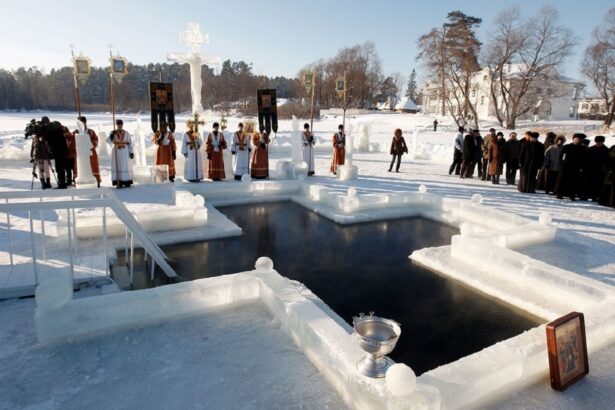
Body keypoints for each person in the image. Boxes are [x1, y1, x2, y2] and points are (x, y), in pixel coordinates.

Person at [554, 133, 587, 201]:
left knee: (573, 182)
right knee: (562, 180)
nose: (576, 141)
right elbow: (561, 156)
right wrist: (561, 164)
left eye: (578, 140)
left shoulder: (583, 149)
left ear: (580, 140)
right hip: (565, 166)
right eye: (575, 139)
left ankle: (572, 195)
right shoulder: (567, 147)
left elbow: (584, 160)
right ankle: (560, 194)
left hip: (576, 168)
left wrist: (581, 168)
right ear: (573, 139)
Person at [74, 116, 101, 188]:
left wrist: (89, 145)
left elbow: (95, 140)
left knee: (92, 166)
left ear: (85, 123)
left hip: (90, 152)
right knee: (80, 167)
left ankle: (96, 181)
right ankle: (80, 182)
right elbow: (73, 142)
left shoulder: (90, 132)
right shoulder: (75, 132)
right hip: (80, 153)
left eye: (82, 122)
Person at [42, 116, 69, 189]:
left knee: (59, 168)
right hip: (63, 151)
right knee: (61, 168)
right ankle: (63, 183)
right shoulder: (58, 130)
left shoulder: (49, 131)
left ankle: (62, 184)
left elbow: (44, 138)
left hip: (58, 152)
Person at [107, 119, 134, 188]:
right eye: (118, 125)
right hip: (116, 151)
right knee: (117, 165)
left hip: (125, 150)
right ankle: (118, 181)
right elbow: (108, 141)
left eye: (120, 125)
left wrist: (131, 152)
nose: (119, 126)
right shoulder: (113, 132)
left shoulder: (126, 133)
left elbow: (130, 143)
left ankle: (127, 181)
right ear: (117, 125)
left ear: (122, 125)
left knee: (125, 165)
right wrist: (111, 136)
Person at [586, 136, 609, 202]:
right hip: (590, 169)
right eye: (597, 142)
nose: (598, 143)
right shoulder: (591, 149)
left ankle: (595, 196)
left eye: (600, 142)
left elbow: (607, 161)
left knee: (597, 184)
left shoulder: (606, 150)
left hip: (600, 170)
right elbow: (586, 159)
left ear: (603, 142)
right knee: (588, 182)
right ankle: (585, 195)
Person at [599, 144, 615, 208]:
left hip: (611, 172)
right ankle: (605, 201)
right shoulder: (610, 150)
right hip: (609, 172)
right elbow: (606, 161)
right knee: (607, 187)